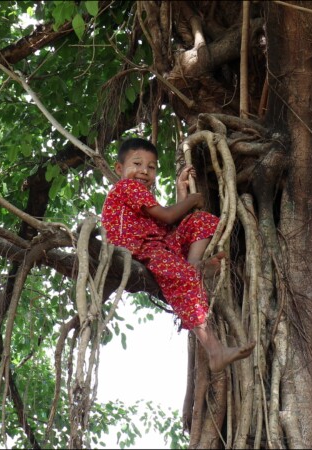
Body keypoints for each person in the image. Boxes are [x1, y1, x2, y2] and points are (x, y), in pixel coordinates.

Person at [101, 137, 254, 372]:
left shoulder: (141, 198)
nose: (144, 171)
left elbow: (169, 225)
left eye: (151, 167)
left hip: (158, 247)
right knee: (184, 275)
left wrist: (181, 191)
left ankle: (193, 266)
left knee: (202, 220)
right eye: (137, 164)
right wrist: (192, 199)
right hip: (139, 250)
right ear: (119, 168)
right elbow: (167, 216)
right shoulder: (127, 188)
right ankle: (215, 351)